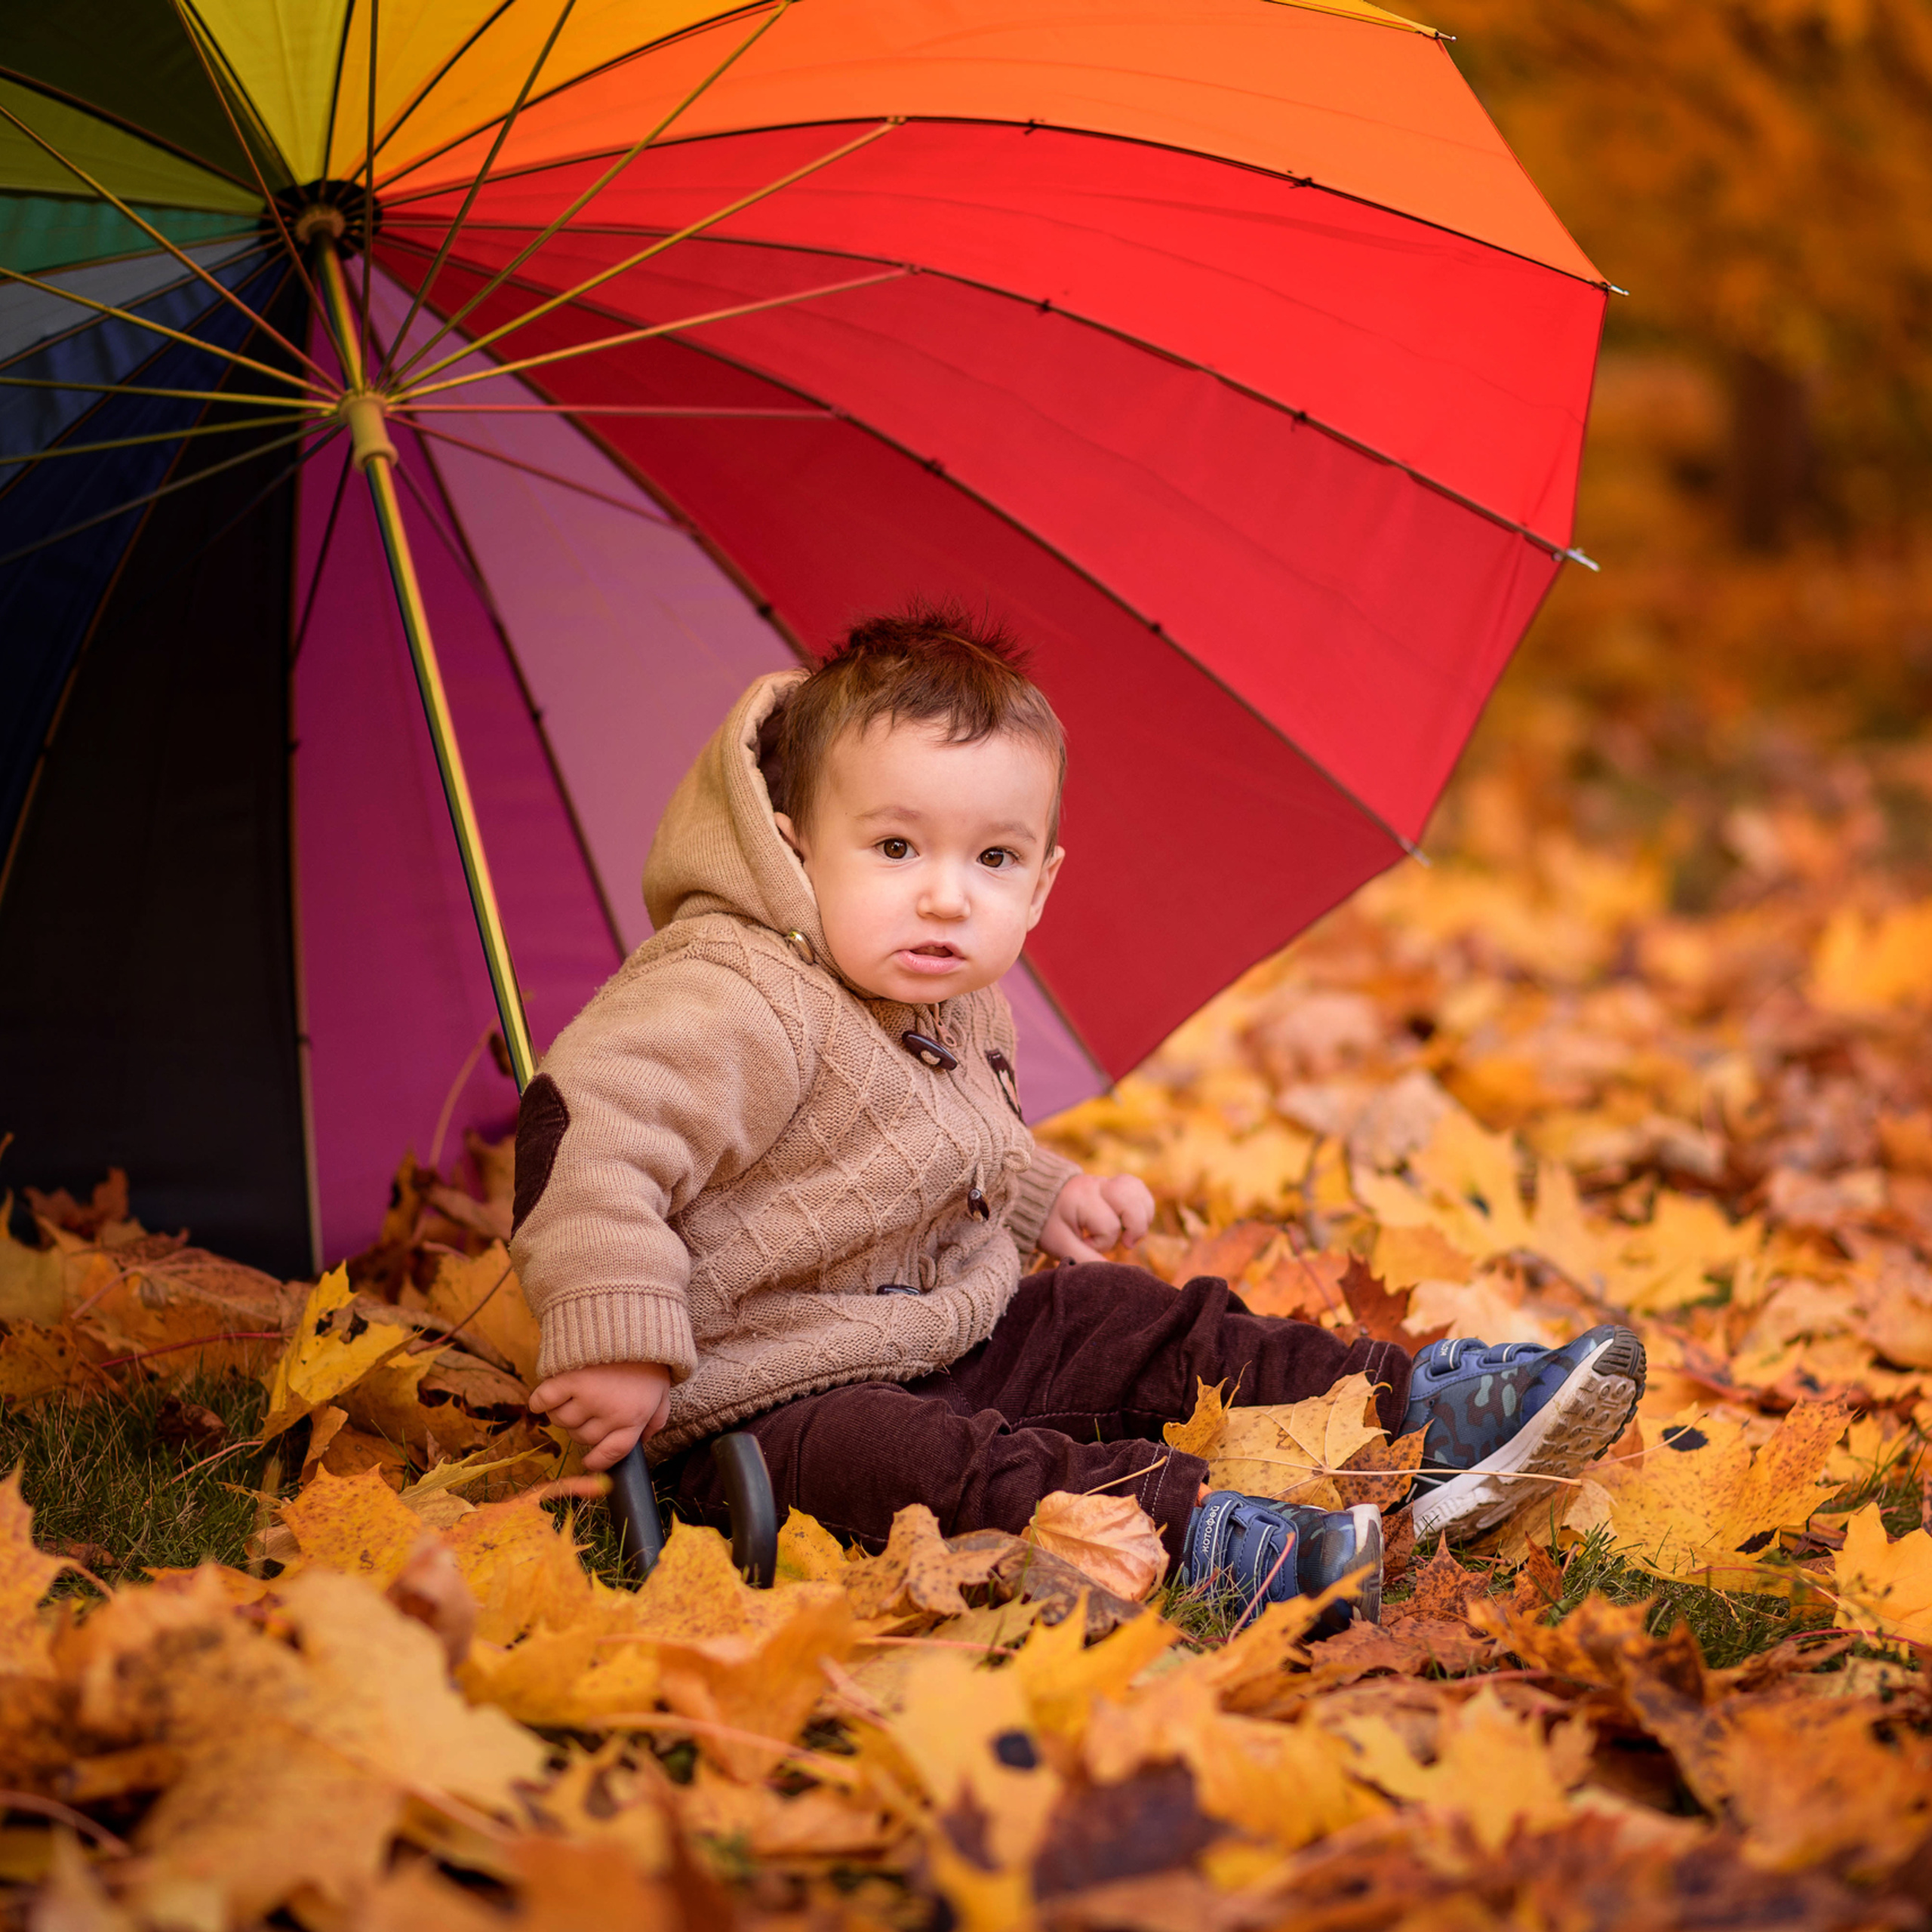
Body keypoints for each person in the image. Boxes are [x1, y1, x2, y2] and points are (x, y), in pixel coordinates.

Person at [511, 608, 1644, 1622]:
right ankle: (1197, 1540)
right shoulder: (731, 991)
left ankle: (1424, 1412)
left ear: (1042, 882)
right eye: (896, 847)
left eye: (992, 858)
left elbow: (931, 1142)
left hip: (941, 1335)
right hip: (757, 1413)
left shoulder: (953, 995)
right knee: (929, 1464)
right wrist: (618, 1341)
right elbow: (588, 1136)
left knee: (1126, 1315)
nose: (947, 894)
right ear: (795, 844)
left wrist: (1047, 1192)